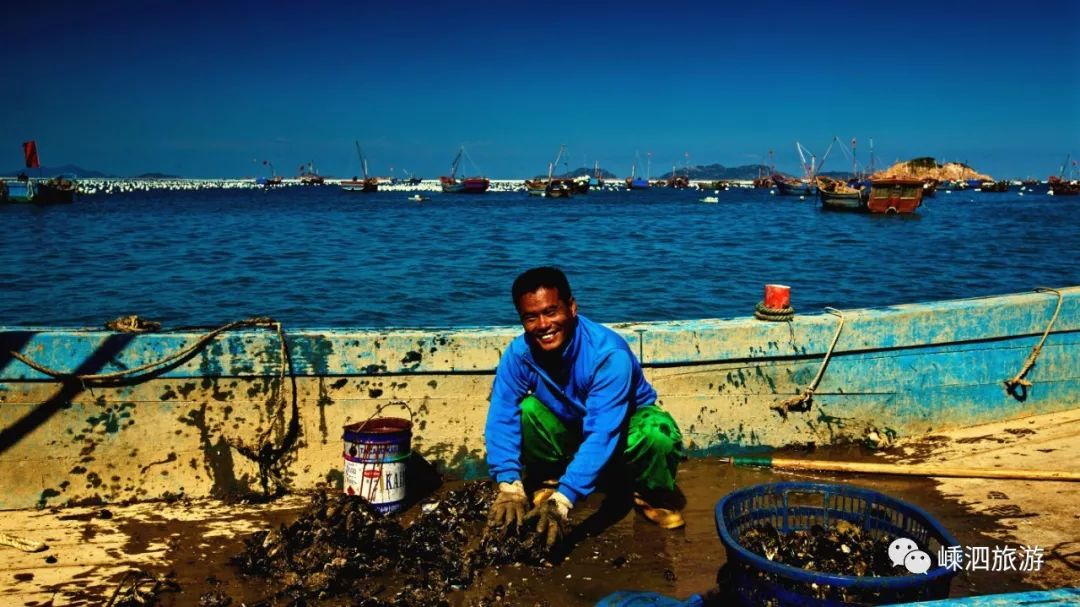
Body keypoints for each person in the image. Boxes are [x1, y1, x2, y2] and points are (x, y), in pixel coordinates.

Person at [485, 267, 686, 547]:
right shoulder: (520, 354)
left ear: (572, 307)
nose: (543, 325)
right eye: (531, 318)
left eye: (551, 312)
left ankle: (649, 495)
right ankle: (550, 481)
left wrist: (564, 502)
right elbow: (501, 414)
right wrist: (508, 483)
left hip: (621, 435)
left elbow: (603, 433)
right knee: (527, 410)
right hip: (573, 431)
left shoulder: (608, 355)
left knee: (657, 432)